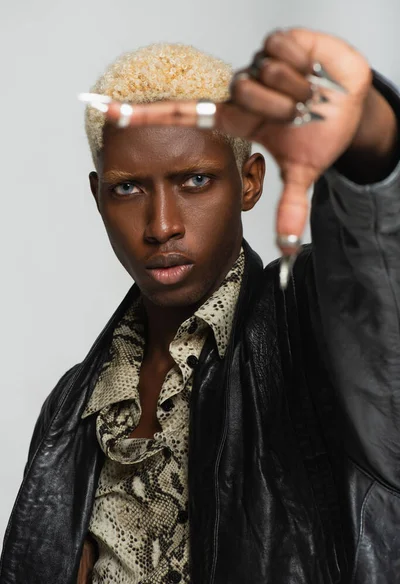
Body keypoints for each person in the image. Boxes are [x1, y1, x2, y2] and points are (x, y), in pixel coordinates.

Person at [1, 28, 399, 584]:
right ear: (97, 197)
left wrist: (369, 134)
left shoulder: (311, 325)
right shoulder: (71, 408)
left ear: (250, 182)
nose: (162, 225)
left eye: (195, 180)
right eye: (128, 189)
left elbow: (379, 275)